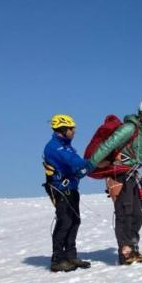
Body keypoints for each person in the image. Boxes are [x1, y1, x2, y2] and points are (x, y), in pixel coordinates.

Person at [88, 99, 142, 265]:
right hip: (120, 175)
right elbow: (109, 144)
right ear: (140, 113)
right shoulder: (130, 127)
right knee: (125, 214)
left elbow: (136, 155)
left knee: (137, 215)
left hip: (131, 175)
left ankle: (133, 249)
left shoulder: (141, 133)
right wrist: (91, 164)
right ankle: (126, 254)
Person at [43, 114, 95, 272]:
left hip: (72, 188)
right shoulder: (54, 147)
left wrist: (86, 167)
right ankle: (57, 260)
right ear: (62, 130)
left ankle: (71, 256)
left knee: (75, 221)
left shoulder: (67, 146)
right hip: (60, 189)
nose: (74, 132)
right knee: (64, 222)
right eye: (71, 129)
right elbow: (75, 162)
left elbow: (76, 165)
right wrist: (92, 162)